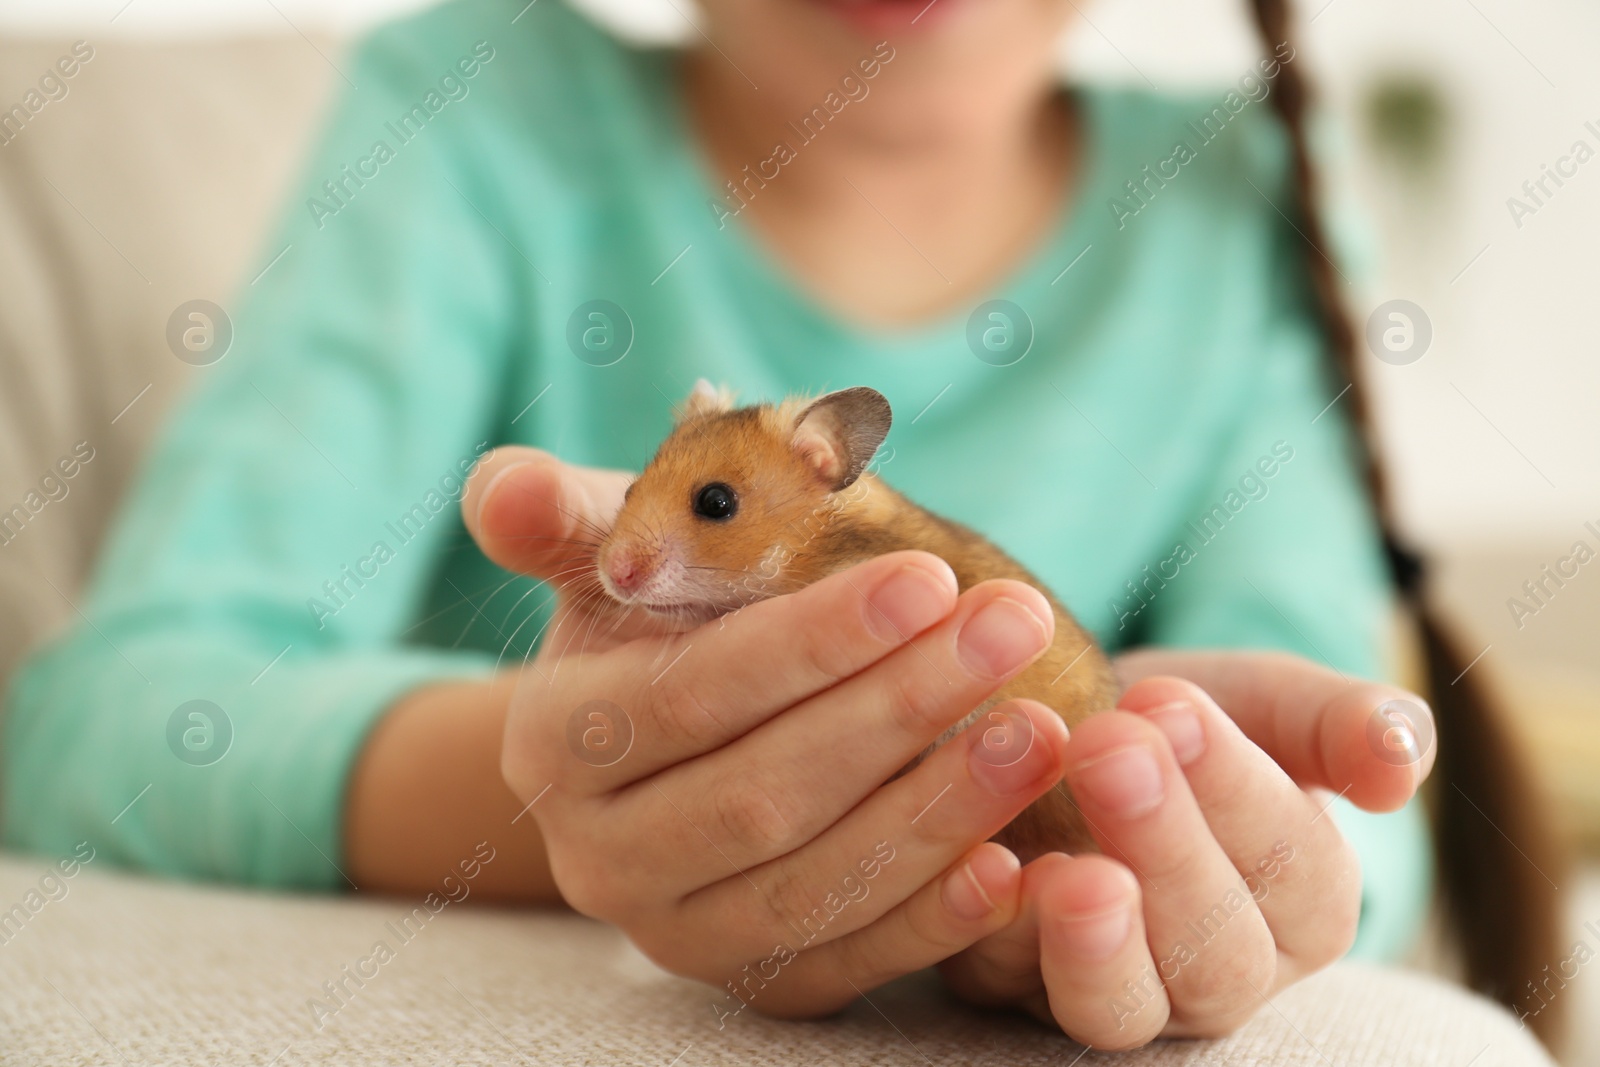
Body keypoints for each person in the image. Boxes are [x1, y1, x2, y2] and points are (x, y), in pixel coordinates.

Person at [0, 0, 1557, 1050]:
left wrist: (1233, 815)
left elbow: (1355, 820)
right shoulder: (475, 105)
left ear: (828, 476)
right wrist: (578, 773)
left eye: (716, 510)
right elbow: (93, 731)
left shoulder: (1237, 202)